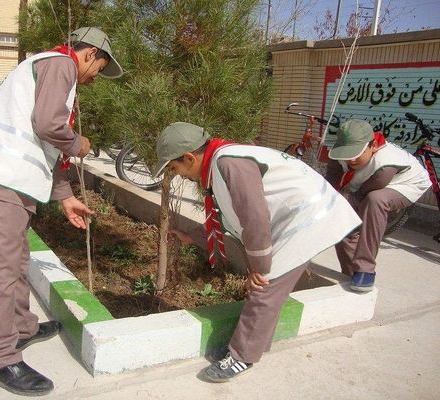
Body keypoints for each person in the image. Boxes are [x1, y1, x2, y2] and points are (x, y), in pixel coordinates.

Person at [0, 27, 123, 396]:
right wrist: (79, 143)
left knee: (15, 259)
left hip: (9, 179)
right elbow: (48, 124)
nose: (98, 76)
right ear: (91, 53)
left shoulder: (49, 67)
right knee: (0, 267)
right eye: (101, 67)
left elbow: (44, 143)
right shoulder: (61, 64)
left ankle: (21, 328)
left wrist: (65, 196)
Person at [153, 122, 361, 383]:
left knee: (264, 286)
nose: (179, 174)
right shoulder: (221, 161)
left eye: (175, 168)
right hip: (298, 216)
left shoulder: (229, 164)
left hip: (309, 218)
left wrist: (258, 267)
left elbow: (254, 218)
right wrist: (193, 236)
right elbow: (229, 216)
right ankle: (253, 344)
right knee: (266, 284)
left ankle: (242, 357)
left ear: (189, 157)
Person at [325, 119, 431, 292]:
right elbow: (330, 187)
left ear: (373, 145)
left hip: (405, 183)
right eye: (347, 152)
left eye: (356, 153)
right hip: (362, 185)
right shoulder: (338, 157)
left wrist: (344, 205)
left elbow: (360, 197)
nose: (351, 159)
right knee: (342, 219)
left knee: (375, 200)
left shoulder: (385, 164)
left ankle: (365, 270)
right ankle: (351, 275)